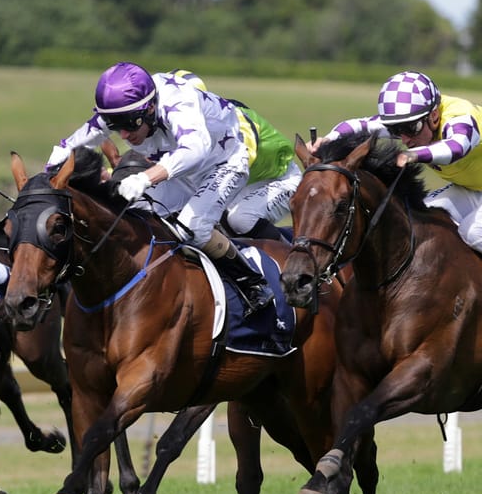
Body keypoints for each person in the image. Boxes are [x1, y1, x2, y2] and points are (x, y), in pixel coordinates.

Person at [45, 61, 274, 314]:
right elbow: (68, 147)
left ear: (151, 107)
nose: (123, 135)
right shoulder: (123, 108)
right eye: (114, 126)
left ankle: (252, 283)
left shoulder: (178, 101)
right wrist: (45, 181)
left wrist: (144, 179)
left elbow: (194, 149)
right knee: (135, 211)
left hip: (226, 162)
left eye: (130, 124)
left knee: (191, 227)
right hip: (180, 168)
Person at [319, 70, 482, 250]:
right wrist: (325, 141)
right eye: (396, 130)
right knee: (418, 219)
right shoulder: (414, 120)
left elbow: (456, 147)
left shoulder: (460, 117)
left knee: (474, 233)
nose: (404, 139)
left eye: (410, 128)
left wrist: (414, 155)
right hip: (473, 189)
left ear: (434, 116)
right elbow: (356, 126)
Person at [169, 70, 300, 242]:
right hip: (244, 184)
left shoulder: (230, 117)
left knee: (240, 219)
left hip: (281, 181)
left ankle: (292, 256)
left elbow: (242, 160)